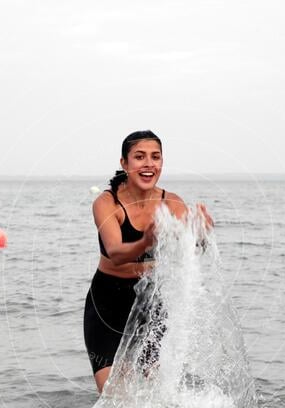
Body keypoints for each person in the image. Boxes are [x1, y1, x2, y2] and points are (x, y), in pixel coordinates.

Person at [83, 130, 214, 394]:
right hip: (107, 304)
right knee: (113, 399)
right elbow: (116, 252)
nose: (148, 164)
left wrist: (200, 235)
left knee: (155, 395)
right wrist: (145, 241)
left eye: (155, 157)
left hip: (149, 302)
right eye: (139, 157)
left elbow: (193, 247)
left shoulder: (172, 202)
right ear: (124, 163)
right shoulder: (107, 203)